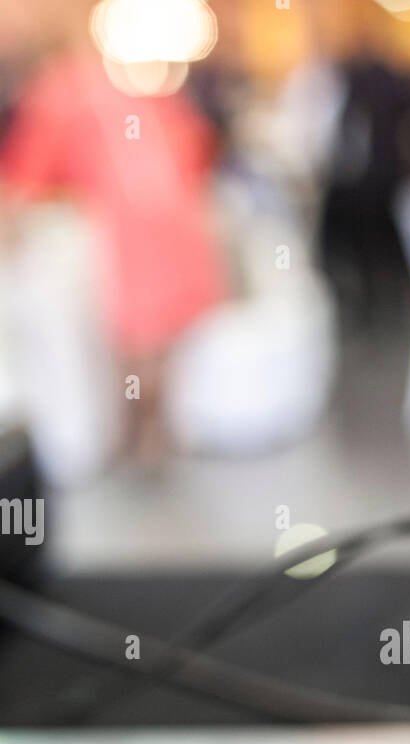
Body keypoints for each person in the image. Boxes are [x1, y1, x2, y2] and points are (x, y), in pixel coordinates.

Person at [0, 41, 227, 468]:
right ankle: (154, 431)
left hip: (134, 228)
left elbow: (24, 175)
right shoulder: (130, 89)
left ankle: (143, 434)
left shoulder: (59, 93)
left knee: (139, 338)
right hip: (175, 215)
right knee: (160, 335)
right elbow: (199, 145)